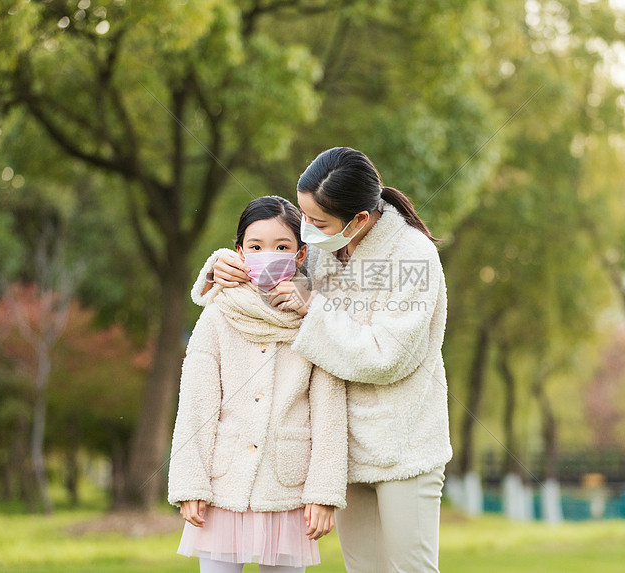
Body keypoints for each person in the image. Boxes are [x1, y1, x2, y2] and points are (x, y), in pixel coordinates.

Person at [194, 147, 452, 572]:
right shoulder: (322, 247)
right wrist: (222, 265)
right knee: (363, 569)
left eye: (316, 222)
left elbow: (389, 358)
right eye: (304, 215)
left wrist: (314, 308)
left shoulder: (413, 258)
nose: (306, 230)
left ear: (359, 221)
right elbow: (273, 267)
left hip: (402, 445)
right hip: (345, 445)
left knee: (411, 569)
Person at [168, 195, 348, 573]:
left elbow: (329, 413)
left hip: (288, 491)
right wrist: (190, 484)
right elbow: (196, 405)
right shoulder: (217, 316)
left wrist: (324, 492)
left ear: (300, 255)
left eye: (282, 247)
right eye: (256, 246)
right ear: (238, 252)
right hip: (222, 488)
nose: (269, 254)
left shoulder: (314, 321)